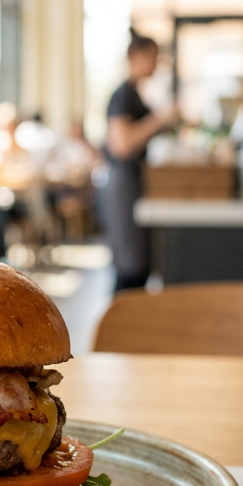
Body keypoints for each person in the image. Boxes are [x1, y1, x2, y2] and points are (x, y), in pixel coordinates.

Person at [103, 29, 175, 292]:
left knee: (138, 265)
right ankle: (120, 317)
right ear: (136, 56)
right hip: (123, 185)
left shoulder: (134, 94)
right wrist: (159, 119)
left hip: (131, 183)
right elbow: (122, 145)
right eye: (152, 57)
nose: (156, 63)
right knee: (130, 266)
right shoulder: (123, 94)